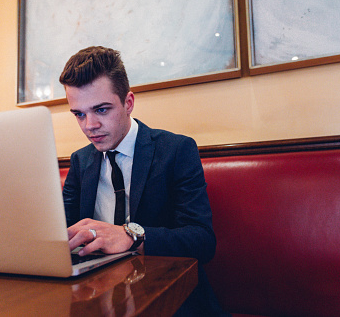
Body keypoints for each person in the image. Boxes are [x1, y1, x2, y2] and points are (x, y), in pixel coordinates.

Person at [59, 46, 227, 316]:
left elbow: (202, 240)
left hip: (169, 299)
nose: (89, 125)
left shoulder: (176, 150)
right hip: (96, 298)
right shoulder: (80, 161)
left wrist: (131, 236)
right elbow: (60, 231)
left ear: (128, 103)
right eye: (79, 114)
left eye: (101, 110)